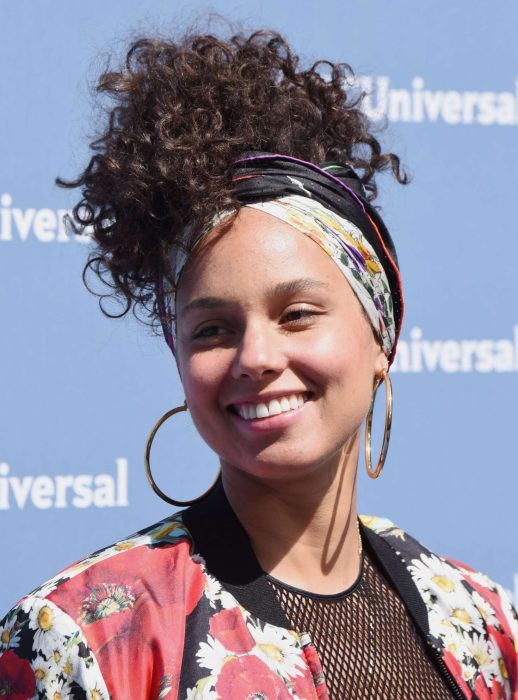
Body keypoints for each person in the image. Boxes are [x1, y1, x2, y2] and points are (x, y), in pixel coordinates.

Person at [0, 28, 516, 700]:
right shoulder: (78, 637)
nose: (257, 358)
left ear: (381, 335)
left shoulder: (483, 622)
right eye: (213, 329)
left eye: (297, 314)